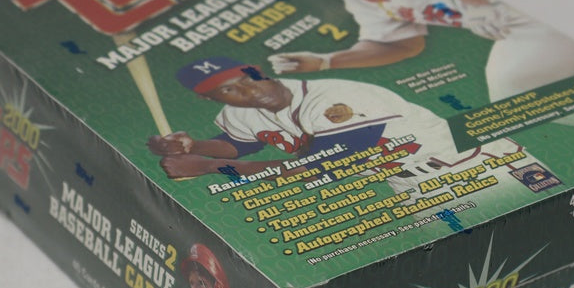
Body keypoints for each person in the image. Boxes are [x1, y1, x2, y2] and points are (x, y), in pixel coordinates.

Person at [148, 57, 538, 206]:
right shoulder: (242, 113)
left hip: (476, 165)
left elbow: (316, 169)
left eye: (246, 79)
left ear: (257, 70)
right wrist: (193, 145)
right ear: (211, 99)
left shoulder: (334, 98)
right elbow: (237, 144)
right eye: (229, 90)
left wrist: (208, 167)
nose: (248, 91)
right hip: (412, 188)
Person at [246, 0, 574, 102]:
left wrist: (479, 3)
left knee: (514, 92)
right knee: (511, 97)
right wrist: (326, 61)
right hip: (518, 27)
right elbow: (403, 46)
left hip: (534, 5)